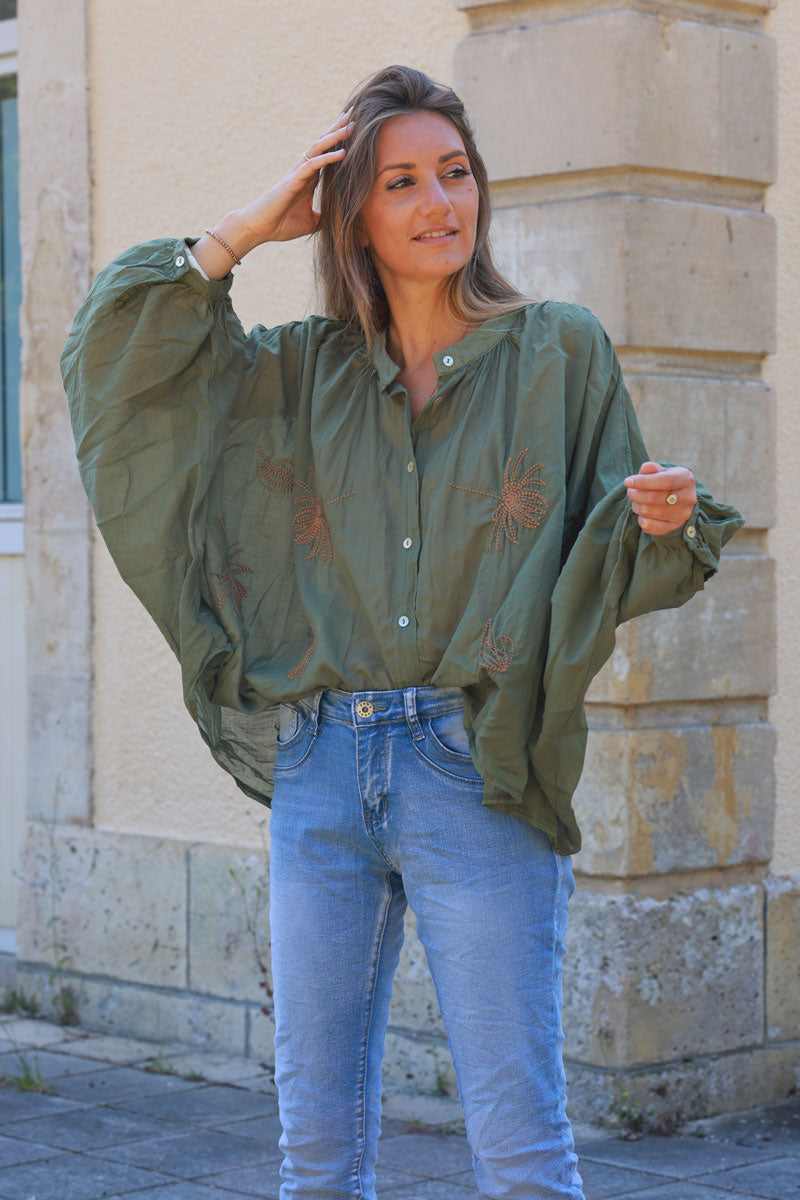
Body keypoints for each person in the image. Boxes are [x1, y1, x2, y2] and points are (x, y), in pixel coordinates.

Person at [61, 64, 744, 1200]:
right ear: (351, 213)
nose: (440, 202)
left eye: (456, 173)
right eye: (399, 182)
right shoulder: (292, 372)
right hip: (318, 771)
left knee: (520, 1154)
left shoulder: (557, 353)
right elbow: (117, 361)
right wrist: (246, 229)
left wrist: (663, 519)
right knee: (315, 1160)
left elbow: (614, 557)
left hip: (472, 768)